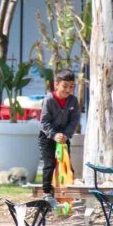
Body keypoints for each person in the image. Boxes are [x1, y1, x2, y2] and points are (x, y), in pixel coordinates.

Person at [39, 69, 80, 203]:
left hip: (64, 137)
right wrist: (53, 134)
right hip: (48, 136)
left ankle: (67, 191)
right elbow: (44, 122)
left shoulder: (73, 101)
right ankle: (47, 192)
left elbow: (74, 121)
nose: (68, 90)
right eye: (65, 86)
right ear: (57, 85)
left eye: (71, 87)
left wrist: (66, 135)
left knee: (66, 164)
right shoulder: (49, 100)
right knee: (49, 163)